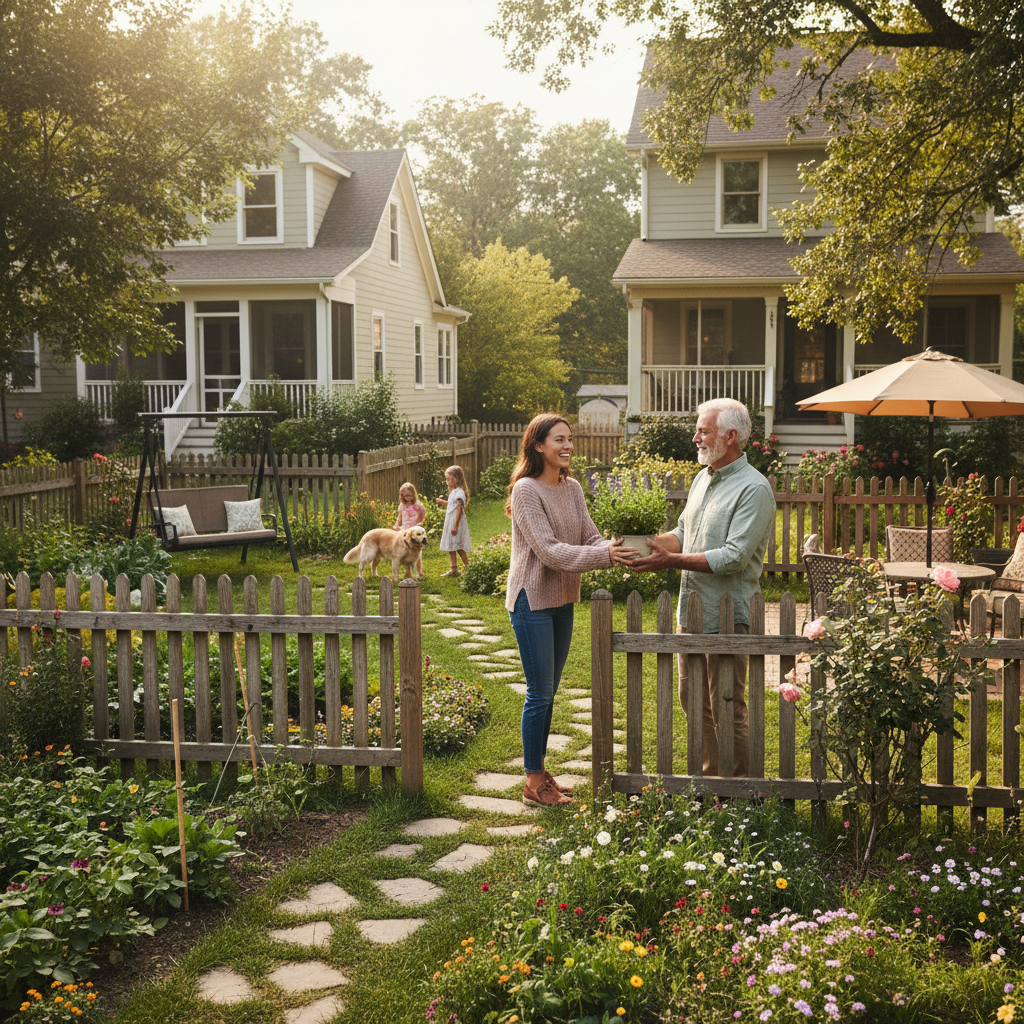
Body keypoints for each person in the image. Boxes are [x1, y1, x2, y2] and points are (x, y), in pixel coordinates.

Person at [631, 398, 775, 777]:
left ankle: (739, 792)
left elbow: (733, 557)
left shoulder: (754, 489)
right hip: (690, 611)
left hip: (728, 614)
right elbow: (684, 533)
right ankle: (711, 783)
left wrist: (670, 561)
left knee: (726, 705)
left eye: (703, 431)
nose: (695, 437)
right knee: (693, 700)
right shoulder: (704, 477)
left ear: (730, 436)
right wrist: (648, 547)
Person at [506, 414, 638, 807]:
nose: (567, 446)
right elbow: (548, 551)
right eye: (559, 439)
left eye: (570, 439)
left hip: (561, 600)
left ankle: (539, 771)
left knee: (549, 693)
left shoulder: (572, 487)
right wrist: (603, 555)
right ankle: (533, 782)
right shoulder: (526, 491)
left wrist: (614, 548)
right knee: (539, 693)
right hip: (531, 600)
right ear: (538, 446)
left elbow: (588, 535)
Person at [436, 465, 471, 578]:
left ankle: (469, 568)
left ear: (458, 479)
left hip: (456, 521)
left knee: (459, 547)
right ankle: (454, 570)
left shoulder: (459, 492)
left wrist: (455, 525)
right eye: (447, 479)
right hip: (450, 521)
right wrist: (442, 502)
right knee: (451, 546)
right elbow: (453, 504)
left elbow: (459, 509)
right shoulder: (454, 492)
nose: (448, 482)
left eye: (451, 479)